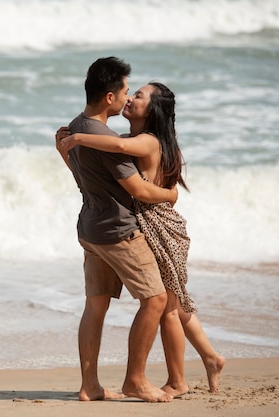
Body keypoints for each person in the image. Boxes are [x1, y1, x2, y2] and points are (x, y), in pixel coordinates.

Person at [58, 82, 226, 395]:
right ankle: (209, 358)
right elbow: (98, 168)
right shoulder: (132, 138)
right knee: (172, 303)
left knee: (170, 306)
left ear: (152, 110)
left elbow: (119, 151)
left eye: (139, 96)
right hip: (143, 222)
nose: (131, 97)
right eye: (131, 92)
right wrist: (69, 147)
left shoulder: (146, 141)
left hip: (159, 225)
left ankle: (180, 379)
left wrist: (79, 136)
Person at [54, 57, 178, 403]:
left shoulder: (74, 128)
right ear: (109, 96)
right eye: (125, 91)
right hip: (118, 230)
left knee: (95, 305)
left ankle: (89, 385)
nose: (127, 98)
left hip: (90, 227)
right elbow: (138, 190)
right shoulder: (103, 139)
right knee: (155, 299)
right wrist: (170, 194)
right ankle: (135, 380)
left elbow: (80, 175)